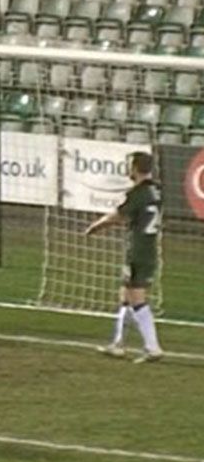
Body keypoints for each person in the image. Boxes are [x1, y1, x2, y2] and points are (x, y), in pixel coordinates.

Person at [86, 151, 164, 363]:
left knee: (137, 300)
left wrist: (96, 226)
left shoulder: (138, 193)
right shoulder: (157, 190)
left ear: (137, 168)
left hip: (136, 251)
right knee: (125, 296)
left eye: (130, 165)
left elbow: (118, 216)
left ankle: (152, 347)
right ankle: (118, 343)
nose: (127, 169)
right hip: (148, 250)